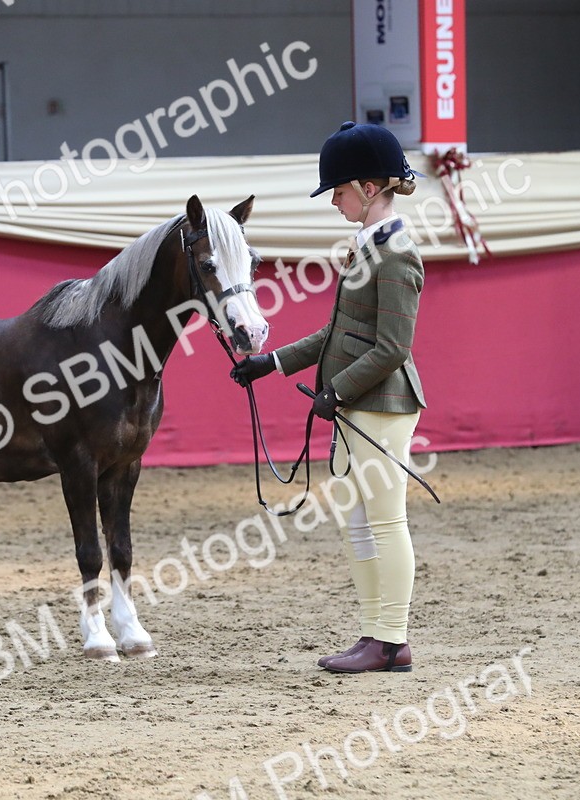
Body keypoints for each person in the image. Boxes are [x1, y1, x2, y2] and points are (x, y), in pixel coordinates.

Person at [231, 121, 427, 674]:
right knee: (355, 521)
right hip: (354, 406)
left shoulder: (396, 255)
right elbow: (336, 334)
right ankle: (375, 634)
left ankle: (392, 639)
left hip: (382, 406)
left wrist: (336, 389)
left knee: (384, 520)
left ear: (369, 187)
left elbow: (392, 348)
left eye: (339, 191)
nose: (334, 202)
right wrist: (271, 363)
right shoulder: (367, 249)